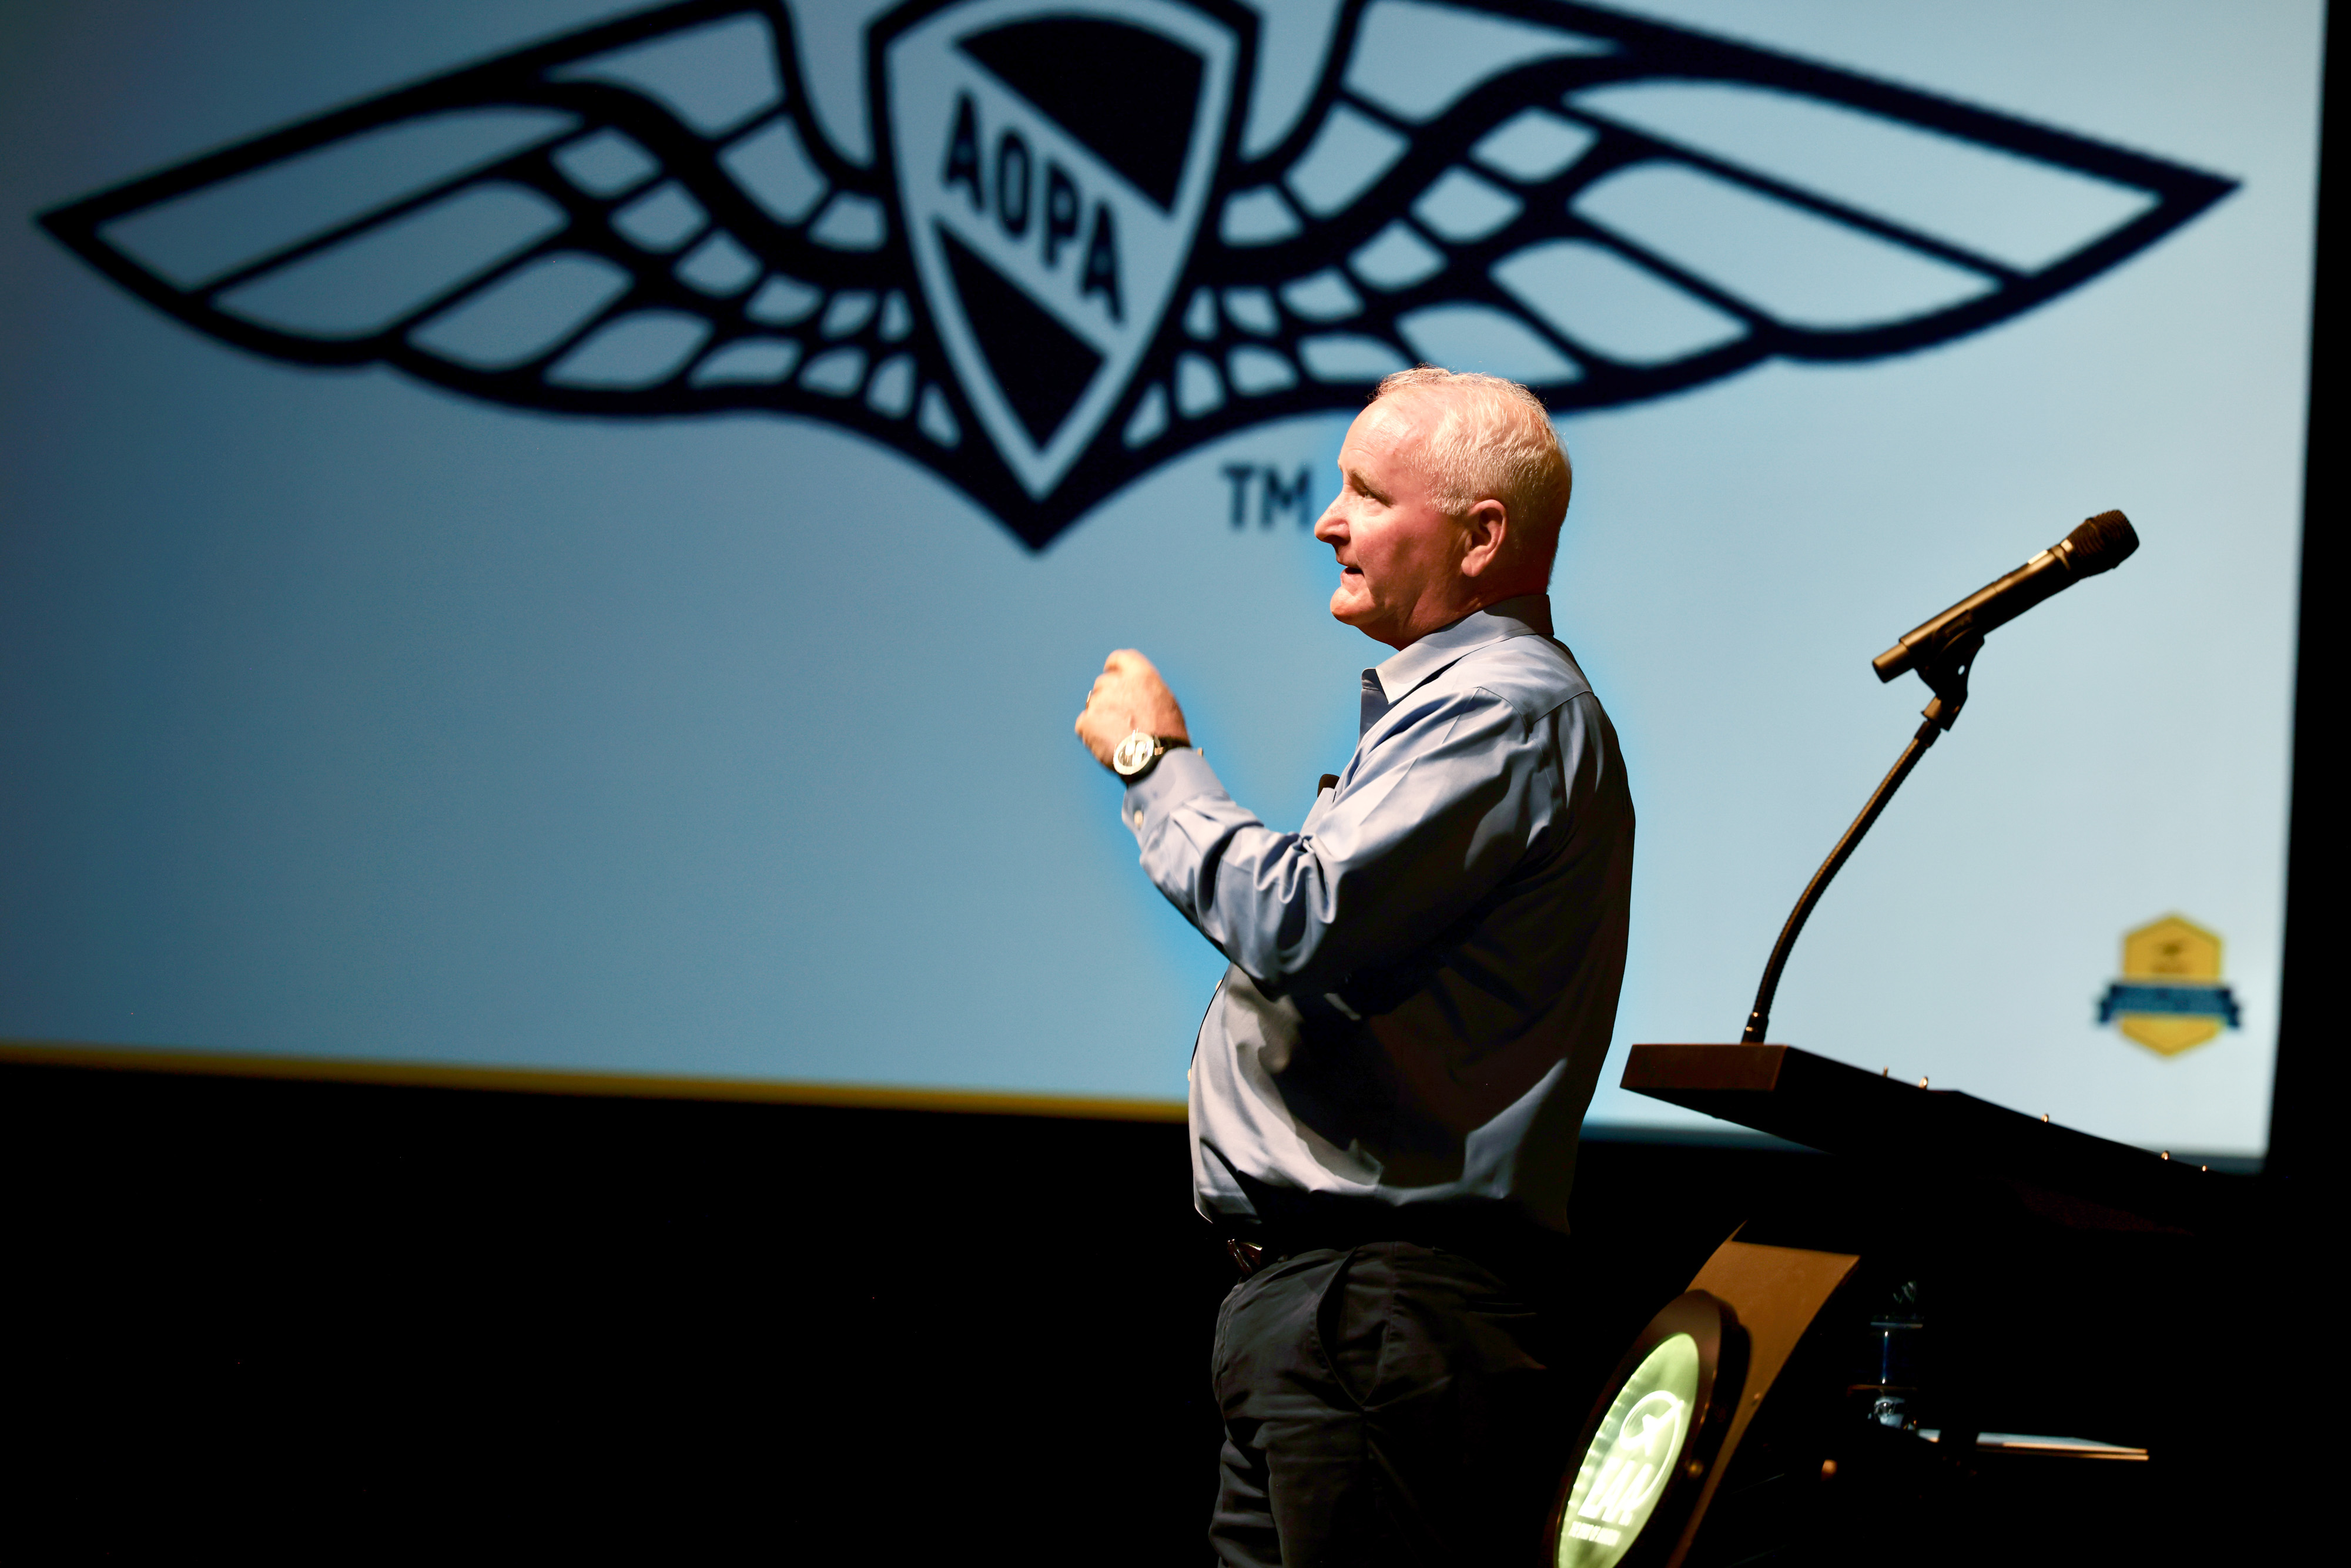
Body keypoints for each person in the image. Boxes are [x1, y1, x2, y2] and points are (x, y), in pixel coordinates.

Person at [1074, 366, 1634, 1567]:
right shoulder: (1465, 708)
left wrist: (1149, 755)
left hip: (1377, 1312)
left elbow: (1295, 915)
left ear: (1482, 537)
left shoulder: (1502, 710)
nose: (1327, 520)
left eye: (1366, 494)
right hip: (1335, 1311)